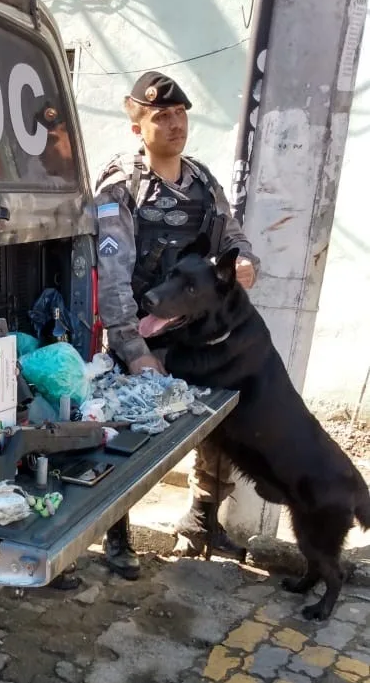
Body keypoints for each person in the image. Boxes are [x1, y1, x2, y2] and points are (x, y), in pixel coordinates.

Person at [93, 71, 260, 581]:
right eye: (160, 116)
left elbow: (230, 236)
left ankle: (202, 520)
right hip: (141, 330)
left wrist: (246, 259)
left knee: (218, 421)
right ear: (137, 126)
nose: (174, 123)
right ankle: (116, 530)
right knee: (129, 429)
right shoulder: (122, 185)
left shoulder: (203, 181)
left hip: (196, 329)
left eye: (180, 113)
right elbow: (112, 270)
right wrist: (131, 346)